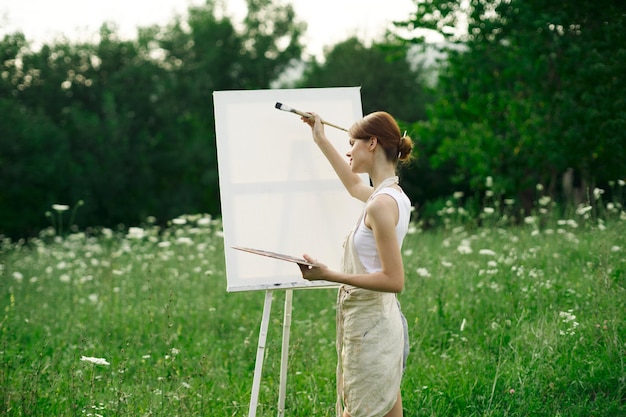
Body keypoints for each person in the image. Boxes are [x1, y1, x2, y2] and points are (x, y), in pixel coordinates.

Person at [298, 111, 414, 417]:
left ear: (372, 143)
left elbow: (394, 280)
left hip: (371, 330)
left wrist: (328, 274)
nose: (349, 150)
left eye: (353, 143)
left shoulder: (380, 204)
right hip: (379, 323)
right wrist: (320, 138)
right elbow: (352, 185)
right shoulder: (392, 196)